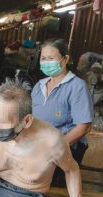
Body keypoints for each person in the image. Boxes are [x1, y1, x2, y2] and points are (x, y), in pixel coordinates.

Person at [31, 38, 93, 186]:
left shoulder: (76, 86)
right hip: (40, 146)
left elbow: (84, 126)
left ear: (65, 59)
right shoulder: (39, 86)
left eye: (51, 58)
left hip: (66, 147)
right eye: (43, 58)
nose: (46, 62)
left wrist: (54, 148)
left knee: (37, 181)